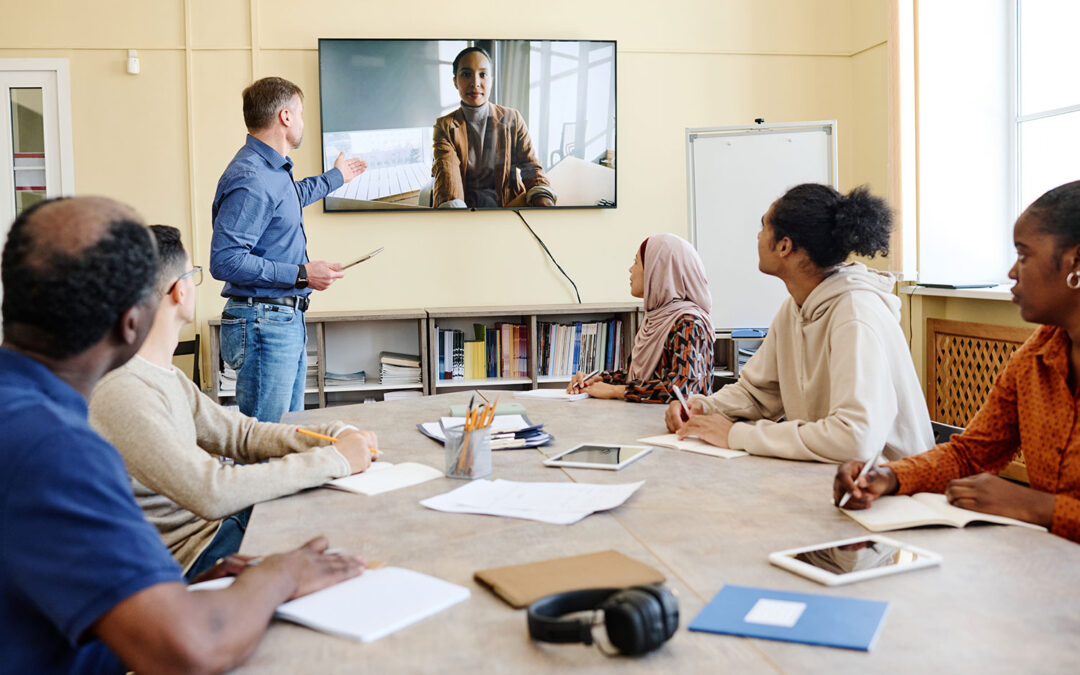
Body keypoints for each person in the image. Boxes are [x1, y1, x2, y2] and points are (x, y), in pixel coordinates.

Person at [0, 197, 364, 673]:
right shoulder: (54, 448)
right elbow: (191, 648)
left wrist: (186, 592)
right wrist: (279, 574)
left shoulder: (26, 415)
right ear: (133, 323)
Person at [90, 225, 379, 581]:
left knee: (334, 509)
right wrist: (333, 460)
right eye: (193, 275)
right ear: (179, 291)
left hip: (217, 529)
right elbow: (211, 491)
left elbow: (240, 436)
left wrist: (332, 436)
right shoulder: (123, 390)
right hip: (197, 554)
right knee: (345, 529)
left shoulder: (163, 375)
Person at [835, 180, 1080, 543]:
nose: (1012, 272)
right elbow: (972, 455)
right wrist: (889, 476)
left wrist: (1041, 507)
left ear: (1076, 262)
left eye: (1024, 255)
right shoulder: (1034, 357)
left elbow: (1034, 504)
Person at [666, 184, 933, 463]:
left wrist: (735, 435)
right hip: (830, 477)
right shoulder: (794, 308)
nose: (757, 236)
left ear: (784, 245)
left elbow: (855, 438)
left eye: (764, 226)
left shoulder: (855, 316)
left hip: (891, 489)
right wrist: (701, 408)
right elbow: (758, 393)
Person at [211, 76, 368, 422]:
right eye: (299, 113)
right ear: (285, 117)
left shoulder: (271, 172)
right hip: (264, 322)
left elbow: (292, 198)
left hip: (280, 318)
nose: (301, 122)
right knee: (268, 441)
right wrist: (301, 274)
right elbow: (225, 260)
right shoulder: (252, 176)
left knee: (285, 435)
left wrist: (336, 177)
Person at [567, 233, 714, 402]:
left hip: (675, 426)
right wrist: (597, 380)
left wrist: (616, 391)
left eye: (636, 262)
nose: (631, 269)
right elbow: (639, 377)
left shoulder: (689, 323)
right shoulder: (654, 319)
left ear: (658, 270)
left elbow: (685, 390)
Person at [432, 46, 556, 209]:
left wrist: (542, 197)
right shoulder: (444, 126)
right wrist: (456, 215)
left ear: (491, 80)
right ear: (455, 81)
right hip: (469, 211)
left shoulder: (513, 118)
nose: (475, 83)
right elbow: (448, 175)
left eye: (483, 75)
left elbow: (530, 165)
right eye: (466, 74)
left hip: (510, 206)